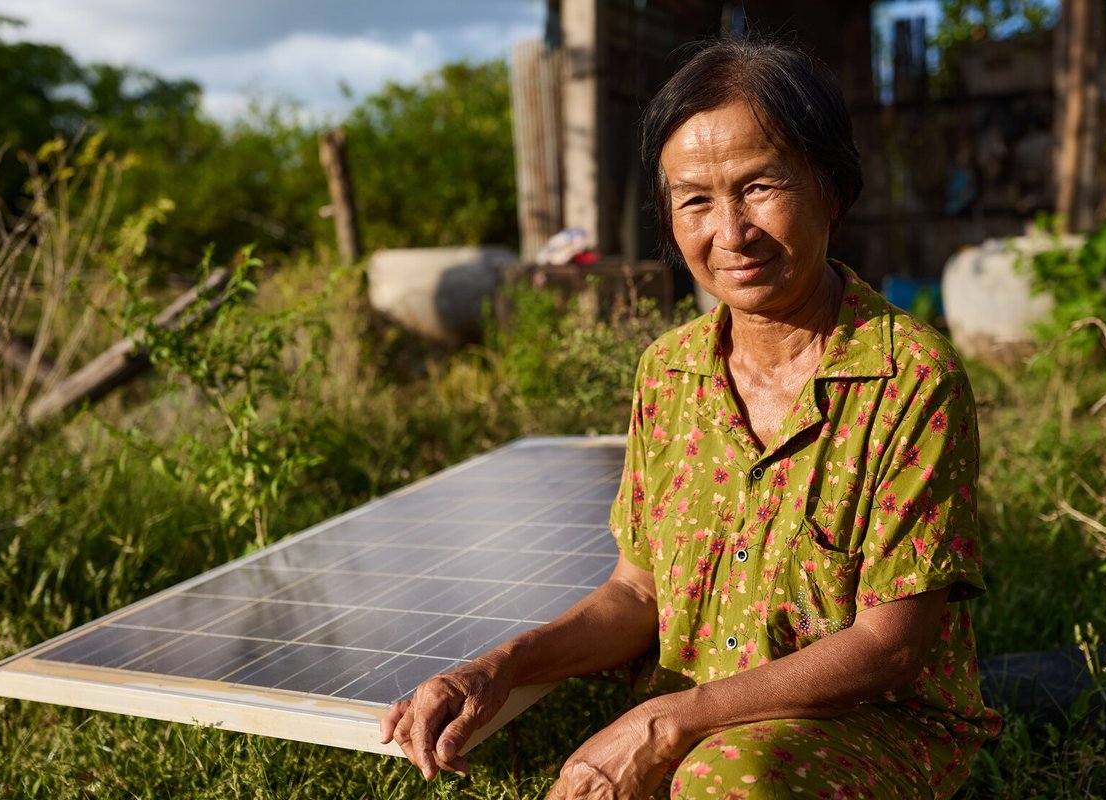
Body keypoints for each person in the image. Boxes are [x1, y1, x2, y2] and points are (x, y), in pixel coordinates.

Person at [381, 37, 1000, 799]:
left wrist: (667, 724)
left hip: (870, 720)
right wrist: (498, 667)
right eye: (696, 199)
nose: (731, 232)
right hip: (694, 715)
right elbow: (636, 597)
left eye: (761, 186)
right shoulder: (668, 372)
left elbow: (888, 647)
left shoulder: (909, 376)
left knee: (723, 781)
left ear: (831, 187)